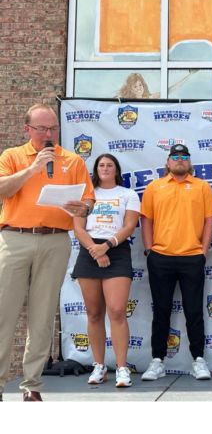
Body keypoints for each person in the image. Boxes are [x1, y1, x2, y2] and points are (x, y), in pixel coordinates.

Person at [0, 103, 95, 402]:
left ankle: (32, 385)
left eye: (52, 128)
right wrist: (34, 168)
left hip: (55, 240)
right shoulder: (12, 156)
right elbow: (2, 190)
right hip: (15, 238)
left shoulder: (73, 160)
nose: (48, 134)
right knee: (4, 313)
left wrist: (86, 208)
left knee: (42, 317)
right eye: (41, 128)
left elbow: (88, 198)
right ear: (27, 129)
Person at [140, 144, 212, 381]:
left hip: (192, 257)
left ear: (189, 161)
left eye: (184, 156)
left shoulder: (202, 186)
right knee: (161, 310)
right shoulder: (155, 187)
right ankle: (157, 361)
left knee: (194, 310)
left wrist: (203, 252)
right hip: (160, 258)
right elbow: (147, 221)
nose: (180, 160)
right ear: (168, 162)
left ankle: (199, 360)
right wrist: (148, 250)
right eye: (175, 156)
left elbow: (209, 220)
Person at [71, 154, 140, 388]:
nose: (106, 168)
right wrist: (95, 250)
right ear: (96, 169)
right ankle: (99, 366)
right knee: (93, 313)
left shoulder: (127, 194)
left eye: (110, 165)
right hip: (89, 250)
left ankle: (121, 368)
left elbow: (129, 226)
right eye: (101, 165)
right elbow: (78, 227)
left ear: (117, 169)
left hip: (116, 250)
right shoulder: (85, 196)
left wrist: (106, 247)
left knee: (118, 311)